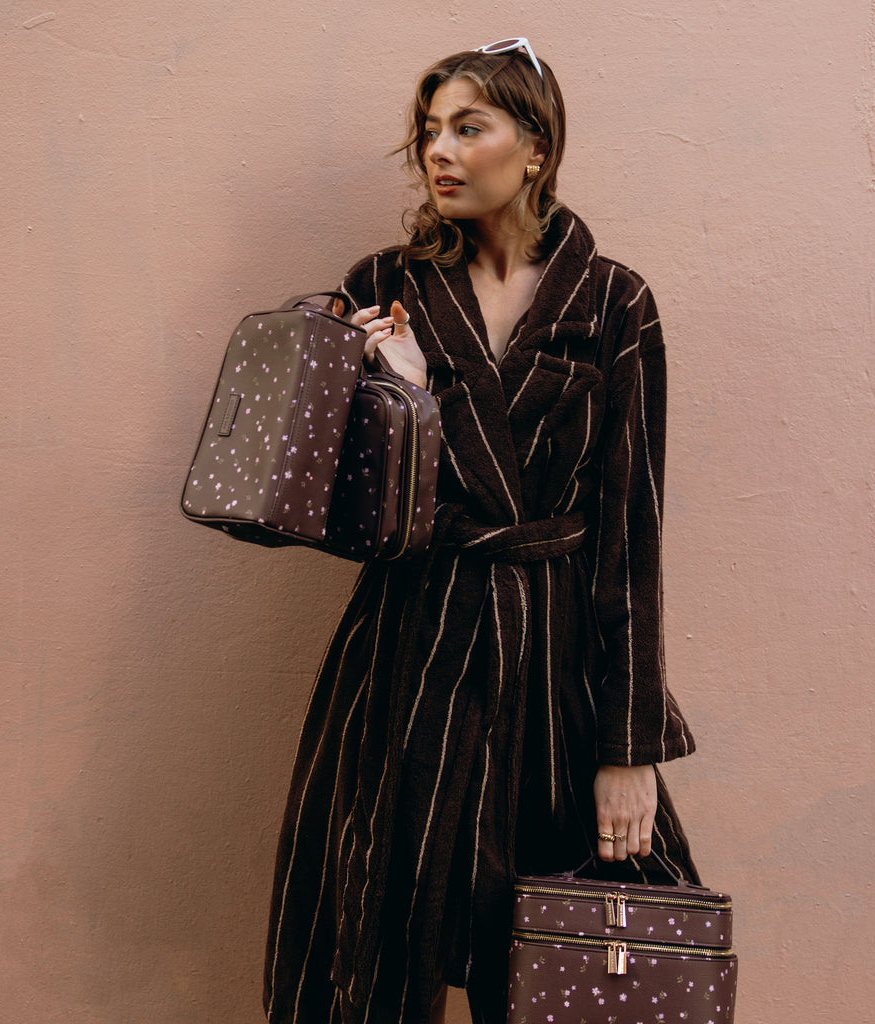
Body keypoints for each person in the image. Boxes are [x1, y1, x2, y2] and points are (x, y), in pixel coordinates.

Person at [264, 38, 699, 1024]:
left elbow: (632, 534)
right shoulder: (383, 285)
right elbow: (352, 520)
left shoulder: (614, 302)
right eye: (429, 132)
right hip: (412, 644)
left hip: (556, 661)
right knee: (378, 947)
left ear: (535, 147)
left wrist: (629, 746)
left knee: (575, 960)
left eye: (469, 127)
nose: (439, 152)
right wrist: (403, 399)